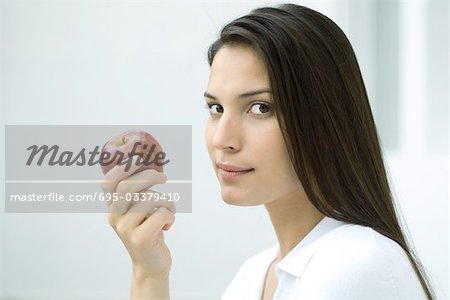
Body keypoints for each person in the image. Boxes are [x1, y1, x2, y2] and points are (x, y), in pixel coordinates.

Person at [101, 3, 436, 300]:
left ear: (324, 120)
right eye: (215, 108)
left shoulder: (353, 263)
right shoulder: (256, 275)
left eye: (260, 108)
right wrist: (147, 270)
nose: (222, 138)